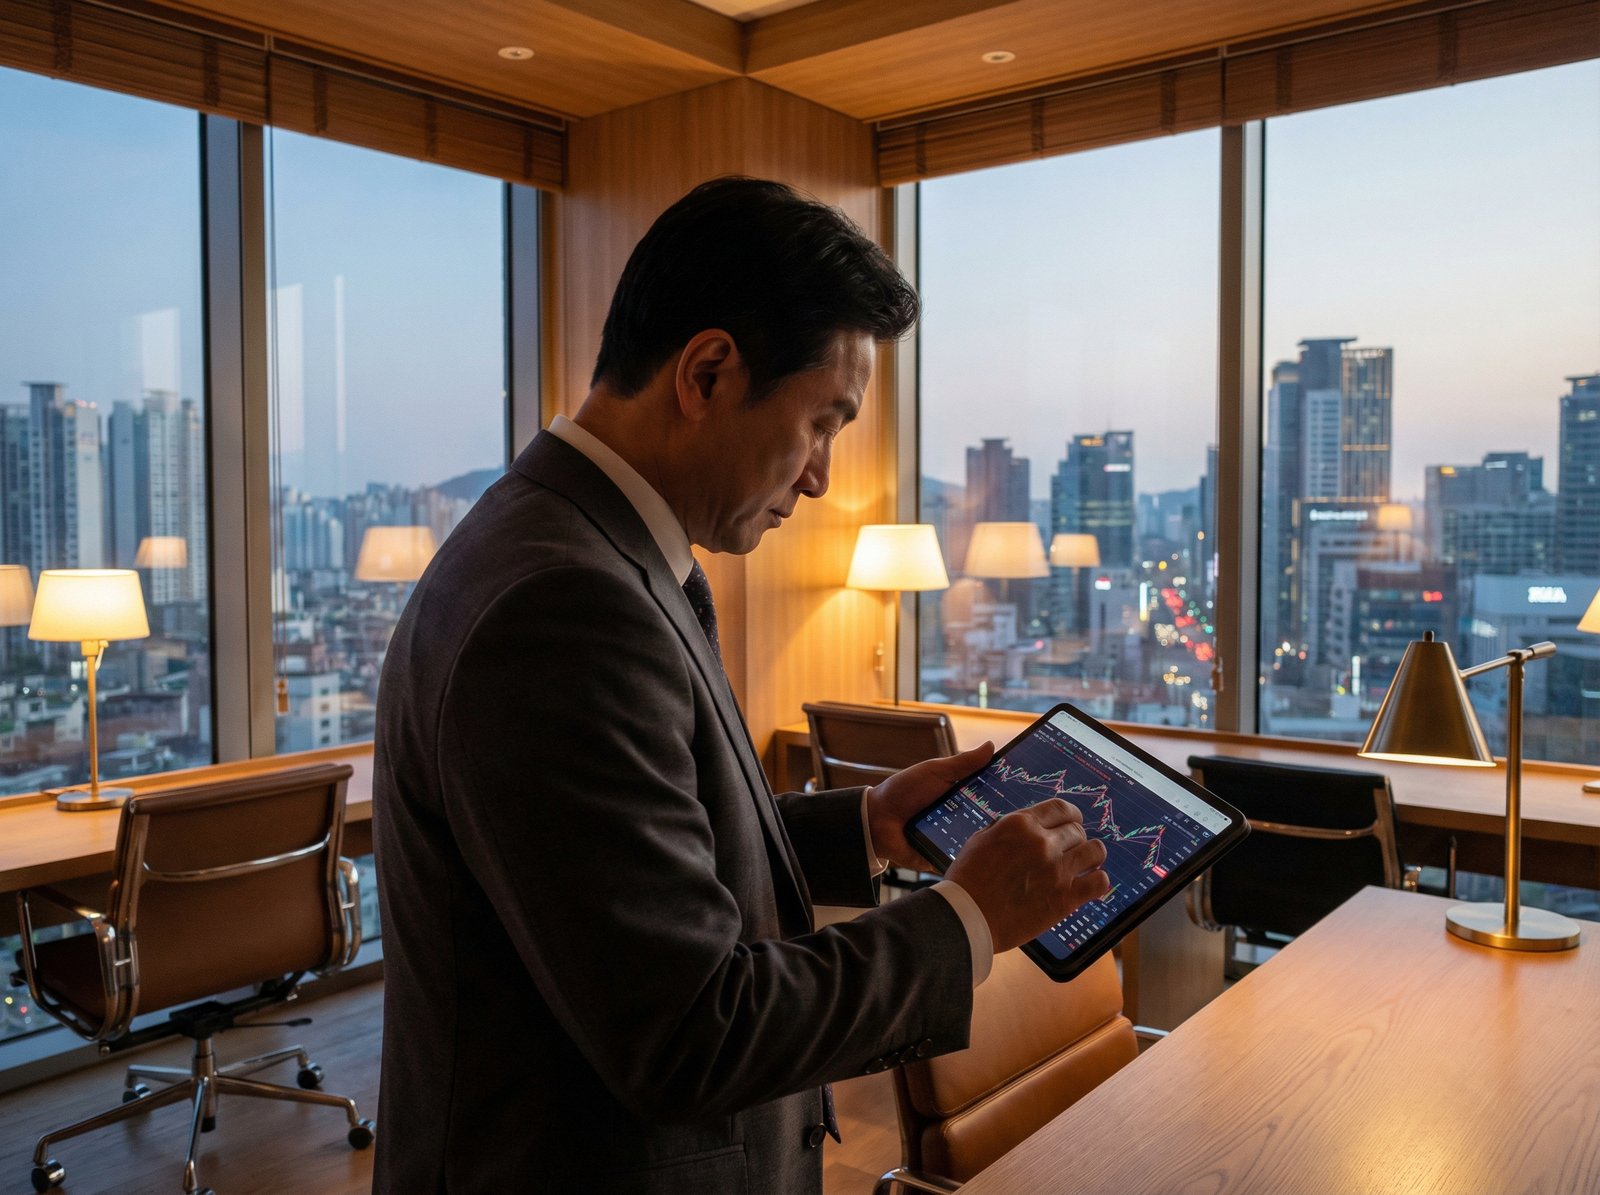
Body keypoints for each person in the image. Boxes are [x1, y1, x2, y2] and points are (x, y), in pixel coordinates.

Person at [371, 176, 1110, 1193]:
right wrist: (967, 918)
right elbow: (689, 1031)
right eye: (822, 423)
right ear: (708, 371)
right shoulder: (562, 606)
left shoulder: (589, 548)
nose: (818, 476)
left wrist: (861, 825)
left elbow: (632, 869)